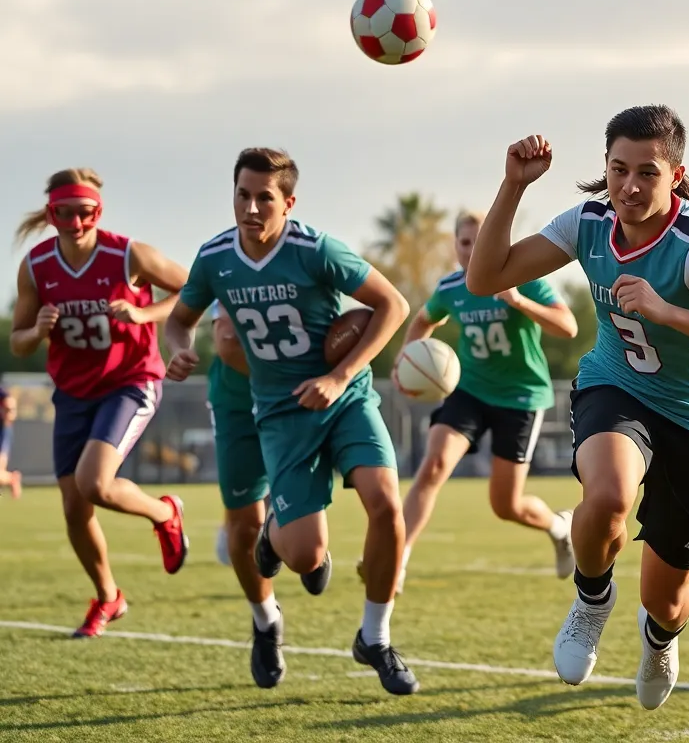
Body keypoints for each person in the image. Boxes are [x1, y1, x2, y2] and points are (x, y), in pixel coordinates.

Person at [466, 105, 689, 711]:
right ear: (605, 168)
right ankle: (591, 599)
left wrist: (668, 312)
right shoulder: (587, 221)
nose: (630, 186)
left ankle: (660, 639)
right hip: (618, 387)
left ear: (675, 175)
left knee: (666, 599)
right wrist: (513, 185)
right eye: (619, 170)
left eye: (647, 172)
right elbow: (486, 277)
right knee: (609, 495)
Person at [163, 148, 417, 696]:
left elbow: (392, 304)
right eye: (242, 195)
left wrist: (343, 372)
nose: (251, 208)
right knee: (303, 554)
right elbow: (179, 322)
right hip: (280, 412)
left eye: (265, 198)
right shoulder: (214, 258)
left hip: (344, 397)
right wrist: (178, 349)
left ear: (288, 202)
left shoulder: (314, 248)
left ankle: (375, 636)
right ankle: (273, 578)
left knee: (387, 502)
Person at [9, 168, 189, 638]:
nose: (75, 221)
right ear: (52, 214)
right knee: (74, 508)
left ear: (98, 211)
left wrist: (144, 312)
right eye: (64, 213)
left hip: (130, 381)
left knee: (93, 482)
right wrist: (37, 330)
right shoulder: (36, 266)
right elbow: (19, 343)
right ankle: (109, 597)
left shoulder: (126, 254)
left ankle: (166, 513)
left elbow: (193, 289)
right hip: (72, 392)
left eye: (83, 212)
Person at [362, 211, 579, 592]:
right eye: (465, 242)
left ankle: (559, 526)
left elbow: (568, 327)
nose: (473, 249)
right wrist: (406, 358)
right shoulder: (450, 287)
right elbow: (423, 321)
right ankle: (398, 560)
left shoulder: (523, 279)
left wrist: (518, 302)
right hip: (470, 390)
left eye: (481, 241)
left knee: (506, 505)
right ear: (455, 246)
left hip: (521, 396)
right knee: (432, 466)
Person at [206, 300, 287, 687]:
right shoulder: (224, 260)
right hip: (236, 404)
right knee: (242, 532)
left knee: (300, 529)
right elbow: (223, 338)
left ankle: (304, 543)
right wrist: (179, 341)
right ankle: (265, 620)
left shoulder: (310, 254)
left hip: (293, 398)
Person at [0, 383, 21, 499]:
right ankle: (11, 479)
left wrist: (8, 414)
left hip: (2, 431)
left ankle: (12, 479)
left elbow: (10, 403)